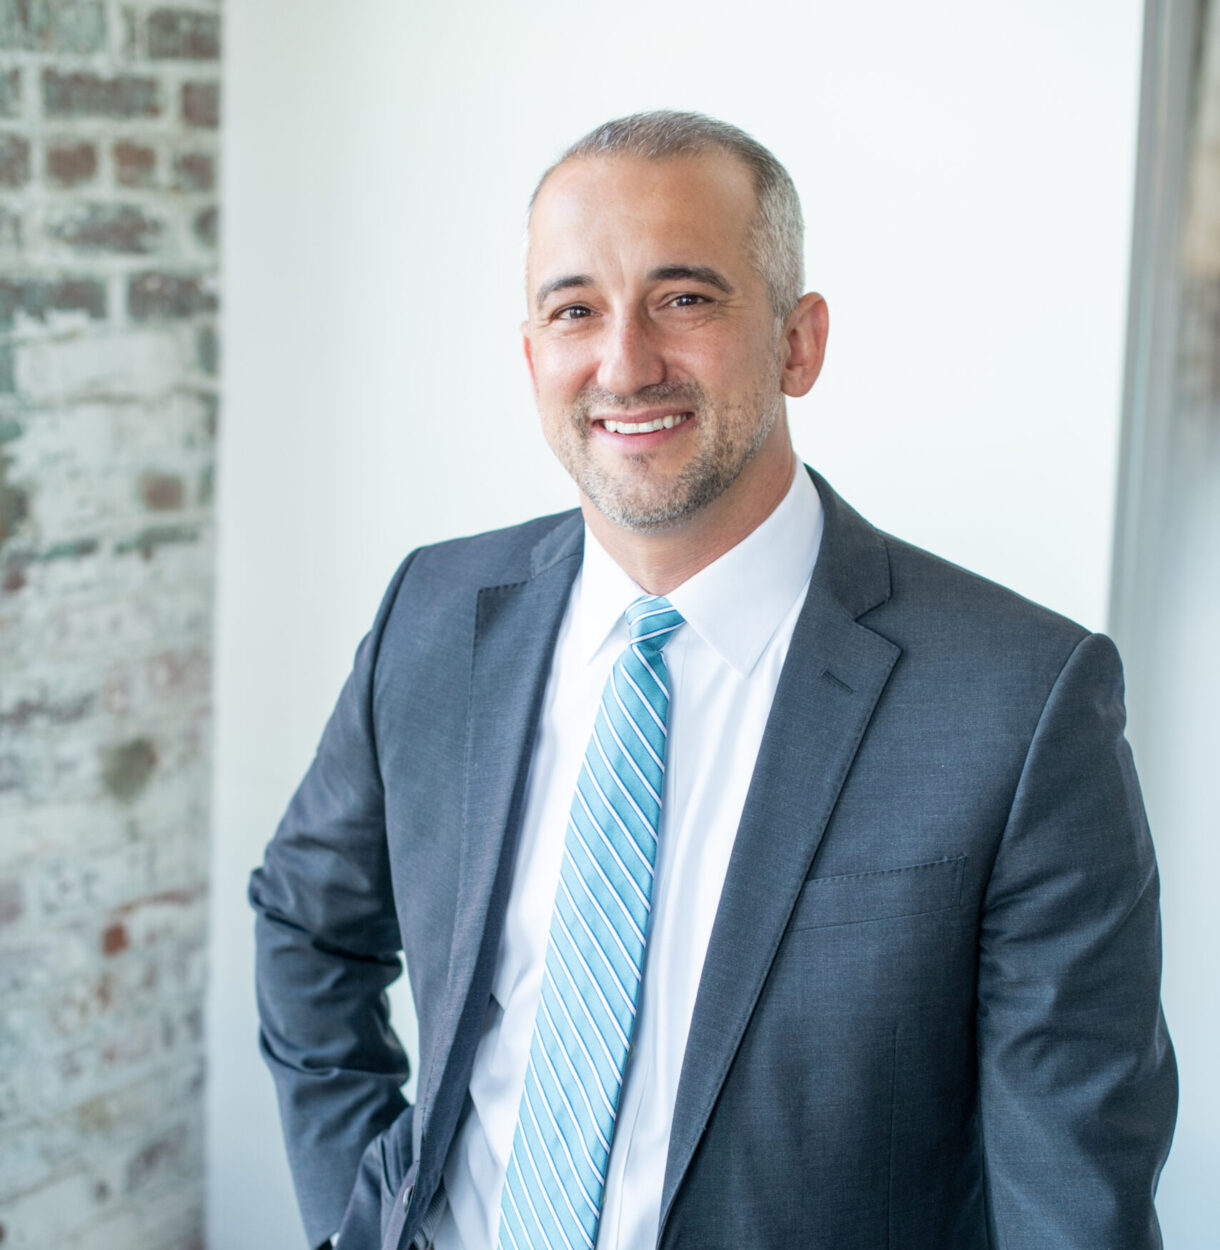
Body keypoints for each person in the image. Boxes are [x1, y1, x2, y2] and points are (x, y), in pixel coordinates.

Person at [250, 111, 1177, 1250]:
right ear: (531, 355)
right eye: (574, 310)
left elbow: (1073, 1202)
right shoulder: (434, 613)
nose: (624, 363)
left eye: (683, 298)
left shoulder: (1017, 704)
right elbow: (307, 921)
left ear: (798, 341)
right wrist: (359, 1208)